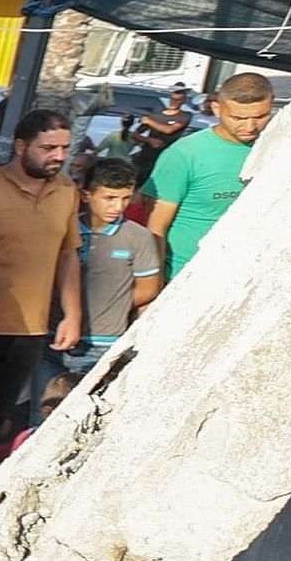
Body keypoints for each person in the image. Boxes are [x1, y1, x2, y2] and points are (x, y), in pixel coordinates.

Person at [0, 108, 82, 458]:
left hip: (30, 330)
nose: (58, 156)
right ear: (21, 146)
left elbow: (68, 255)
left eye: (64, 148)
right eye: (48, 148)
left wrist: (72, 314)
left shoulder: (67, 190)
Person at [142, 72, 273, 276]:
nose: (250, 126)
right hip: (183, 276)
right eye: (238, 118)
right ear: (216, 108)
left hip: (248, 275)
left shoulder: (279, 147)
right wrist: (153, 286)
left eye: (260, 116)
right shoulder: (183, 155)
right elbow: (156, 226)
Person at [75, 158, 163, 363]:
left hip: (104, 344)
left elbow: (148, 288)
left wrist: (114, 304)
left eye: (125, 198)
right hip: (53, 338)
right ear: (86, 195)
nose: (118, 206)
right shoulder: (64, 229)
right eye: (109, 198)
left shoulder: (139, 237)